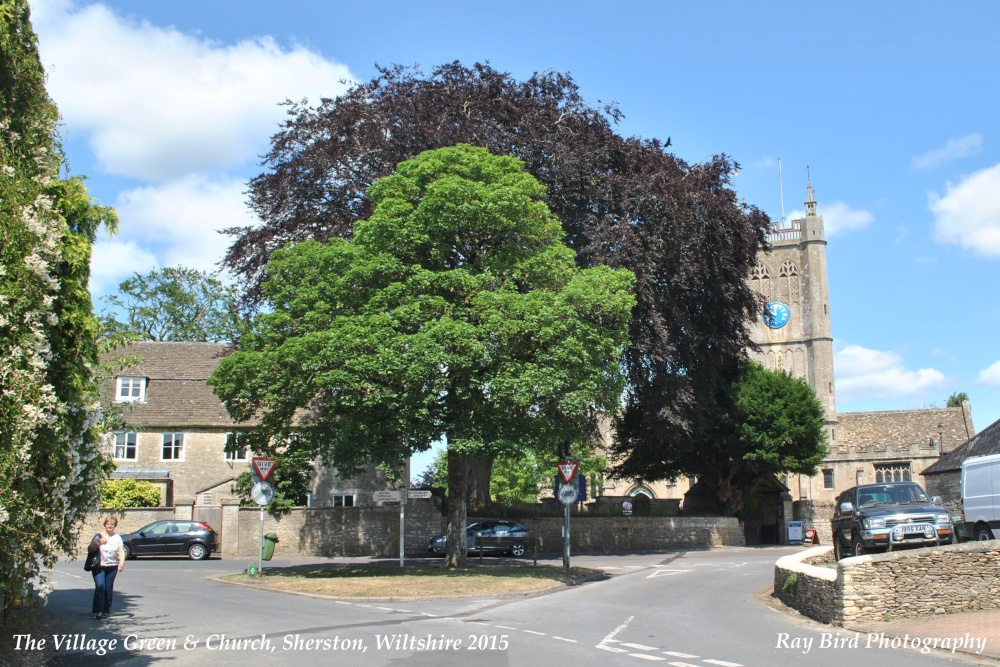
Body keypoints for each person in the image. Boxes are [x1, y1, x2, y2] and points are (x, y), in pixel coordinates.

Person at [90, 516, 125, 619]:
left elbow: (121, 551)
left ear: (115, 526)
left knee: (108, 589)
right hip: (99, 566)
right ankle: (99, 610)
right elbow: (90, 548)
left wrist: (121, 563)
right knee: (100, 586)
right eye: (108, 524)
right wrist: (99, 543)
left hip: (112, 566)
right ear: (105, 525)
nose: (109, 525)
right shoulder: (98, 536)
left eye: (112, 524)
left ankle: (106, 610)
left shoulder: (117, 537)